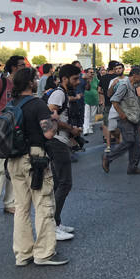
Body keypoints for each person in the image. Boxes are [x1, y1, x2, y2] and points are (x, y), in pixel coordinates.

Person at [6, 67, 68, 266]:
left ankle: (23, 254)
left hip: (13, 160)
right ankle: (44, 253)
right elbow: (49, 133)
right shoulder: (37, 104)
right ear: (30, 83)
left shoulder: (10, 104)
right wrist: (55, 121)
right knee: (43, 205)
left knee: (21, 208)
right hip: (35, 160)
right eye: (35, 78)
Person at [0, 55, 25, 219]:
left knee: (13, 169)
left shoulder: (21, 85)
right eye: (22, 65)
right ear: (14, 67)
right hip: (1, 131)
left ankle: (9, 203)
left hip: (16, 131)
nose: (24, 67)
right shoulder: (0, 82)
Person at [46, 64, 82, 241]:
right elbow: (50, 115)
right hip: (56, 142)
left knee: (58, 183)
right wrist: (70, 129)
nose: (78, 82)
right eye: (75, 79)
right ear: (65, 78)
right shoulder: (59, 93)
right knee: (64, 183)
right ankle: (52, 225)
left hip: (61, 141)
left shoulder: (63, 94)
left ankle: (56, 222)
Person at [102, 67, 140, 175]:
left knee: (136, 144)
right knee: (129, 140)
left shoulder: (133, 86)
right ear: (134, 75)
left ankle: (133, 167)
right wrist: (122, 115)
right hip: (126, 119)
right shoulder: (124, 85)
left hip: (134, 118)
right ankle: (108, 157)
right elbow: (114, 100)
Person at [98, 61, 120, 153]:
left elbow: (99, 90)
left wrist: (105, 96)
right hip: (117, 104)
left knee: (106, 124)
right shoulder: (118, 78)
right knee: (118, 124)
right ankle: (119, 144)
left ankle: (108, 145)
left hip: (107, 103)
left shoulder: (103, 78)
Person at [82, 68, 99, 135]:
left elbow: (98, 88)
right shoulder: (84, 80)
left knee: (92, 115)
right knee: (86, 115)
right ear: (87, 73)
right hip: (86, 99)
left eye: (93, 72)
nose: (92, 74)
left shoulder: (96, 80)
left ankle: (90, 127)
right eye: (90, 72)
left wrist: (100, 99)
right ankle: (85, 129)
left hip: (94, 99)